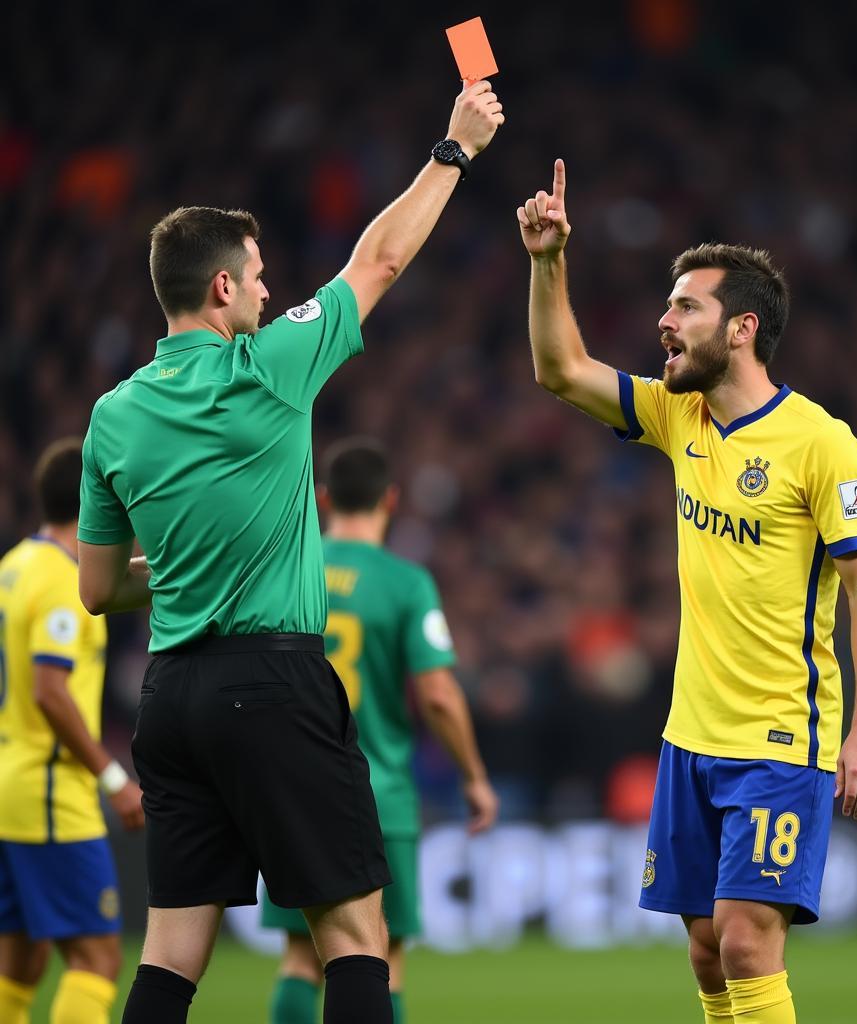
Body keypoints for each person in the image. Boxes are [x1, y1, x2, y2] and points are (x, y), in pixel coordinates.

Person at [75, 82, 504, 1024]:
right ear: (222, 287)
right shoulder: (264, 367)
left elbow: (100, 589)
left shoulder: (111, 418)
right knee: (355, 936)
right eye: (261, 276)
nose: (271, 291)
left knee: (171, 954)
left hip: (171, 700)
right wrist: (454, 149)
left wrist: (188, 574)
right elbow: (381, 260)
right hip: (272, 685)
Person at [517, 160, 857, 1024]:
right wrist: (548, 261)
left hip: (780, 735)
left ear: (743, 327)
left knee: (748, 940)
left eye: (686, 305)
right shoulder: (678, 415)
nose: (665, 321)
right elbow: (560, 370)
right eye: (668, 304)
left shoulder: (822, 444)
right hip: (690, 733)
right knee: (705, 949)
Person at [261, 439, 499, 1024]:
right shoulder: (405, 582)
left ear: (322, 498)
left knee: (300, 956)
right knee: (381, 955)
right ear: (390, 501)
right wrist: (473, 777)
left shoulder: (287, 569)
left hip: (293, 792)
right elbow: (439, 694)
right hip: (377, 795)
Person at [0, 438, 145, 1024]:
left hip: (10, 786)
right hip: (52, 792)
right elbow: (50, 690)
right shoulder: (62, 579)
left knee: (19, 962)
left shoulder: (14, 567)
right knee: (97, 957)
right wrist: (113, 777)